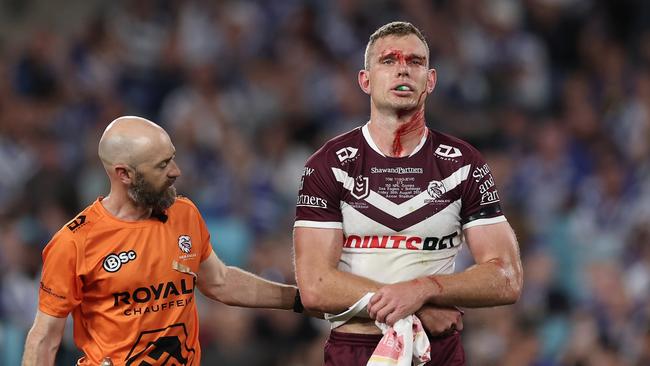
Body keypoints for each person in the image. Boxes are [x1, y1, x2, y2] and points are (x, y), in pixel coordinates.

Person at [293, 21, 523, 365]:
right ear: (365, 80)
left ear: (430, 80)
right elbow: (314, 286)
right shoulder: (329, 165)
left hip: (436, 352)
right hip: (356, 349)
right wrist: (413, 306)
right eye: (388, 60)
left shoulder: (463, 163)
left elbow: (507, 277)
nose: (403, 68)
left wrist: (423, 290)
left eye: (415, 62)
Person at [23, 116, 302, 365]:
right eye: (162, 165)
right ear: (124, 174)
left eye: (172, 158)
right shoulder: (74, 241)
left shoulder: (185, 214)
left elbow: (220, 281)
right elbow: (45, 338)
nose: (176, 171)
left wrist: (300, 299)